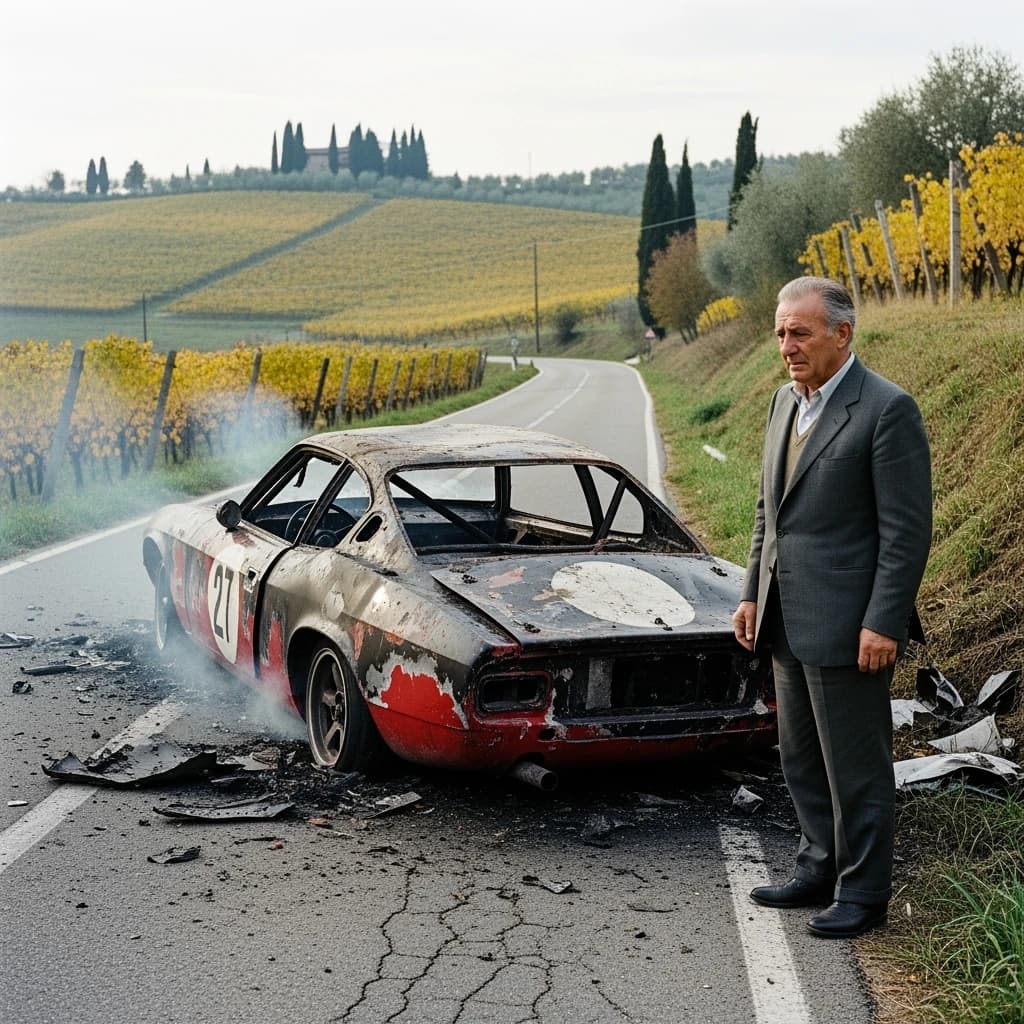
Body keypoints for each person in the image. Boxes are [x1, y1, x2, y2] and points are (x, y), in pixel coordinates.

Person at [732, 276, 931, 939]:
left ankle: (864, 892)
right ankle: (817, 867)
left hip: (852, 625)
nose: (787, 345)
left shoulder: (886, 409)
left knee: (856, 765)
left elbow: (905, 533)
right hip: (786, 614)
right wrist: (750, 595)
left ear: (843, 334)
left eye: (801, 332)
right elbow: (769, 512)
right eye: (781, 332)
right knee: (802, 757)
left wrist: (884, 620)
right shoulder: (781, 405)